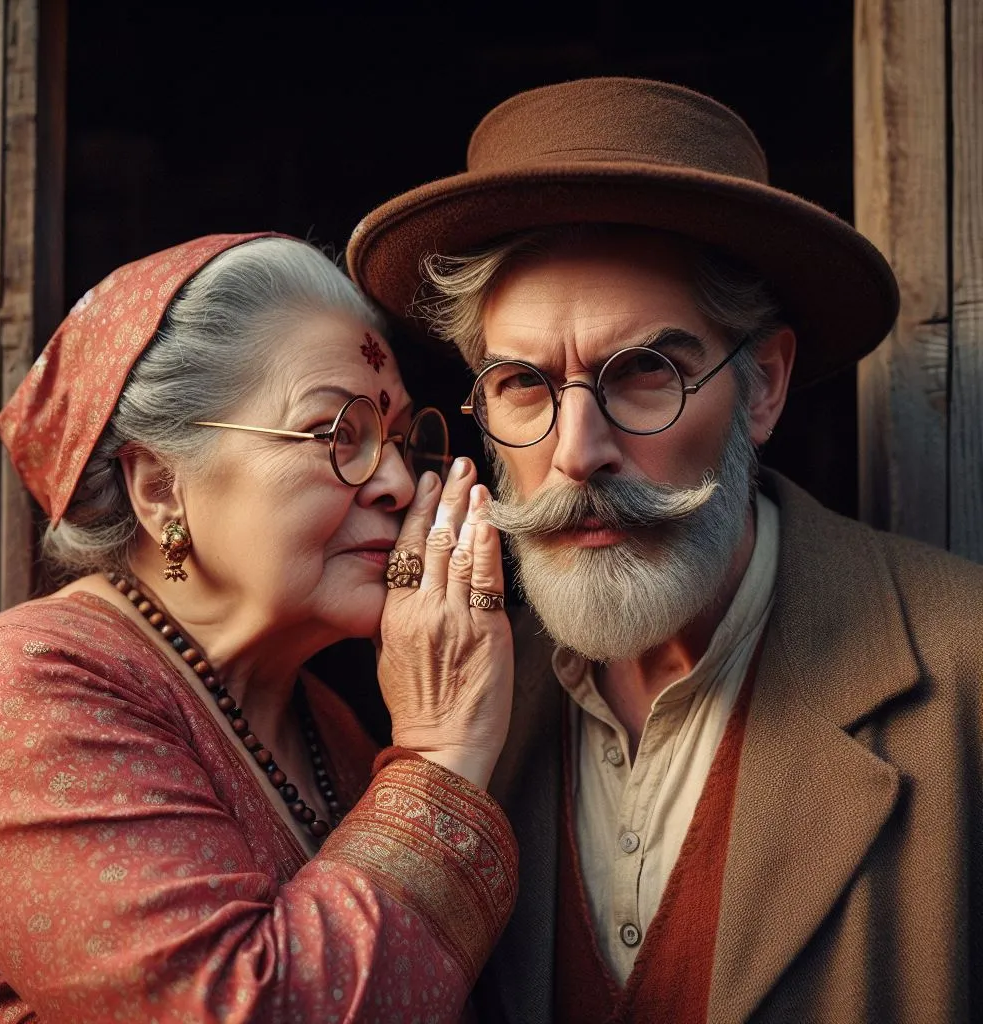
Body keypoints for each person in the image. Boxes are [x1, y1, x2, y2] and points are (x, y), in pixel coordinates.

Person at [347, 78, 983, 1023]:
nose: (578, 451)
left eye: (644, 373)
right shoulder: (453, 706)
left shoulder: (965, 665)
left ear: (763, 387)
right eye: (523, 384)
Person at [0, 233, 517, 1022]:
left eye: (397, 440)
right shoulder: (19, 691)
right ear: (160, 489)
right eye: (338, 434)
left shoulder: (333, 729)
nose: (398, 482)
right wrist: (443, 753)